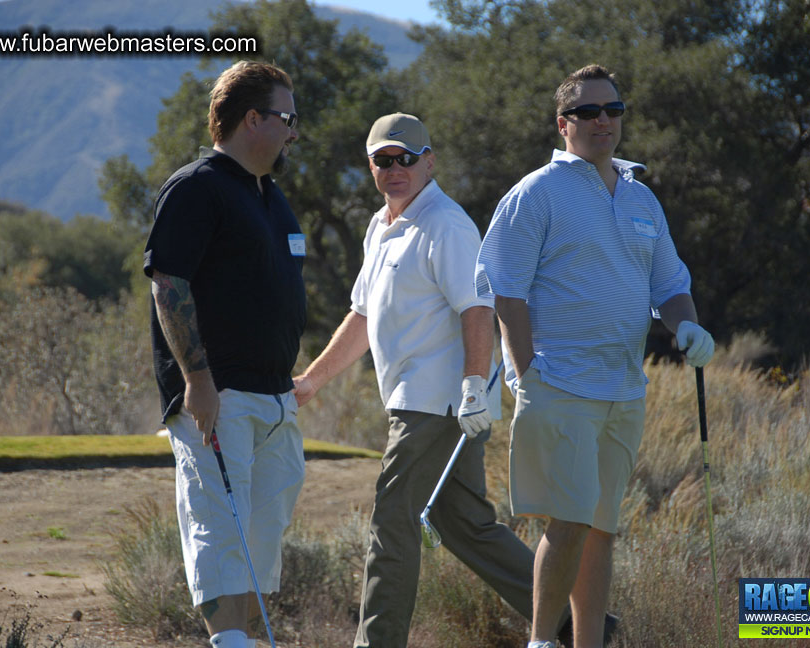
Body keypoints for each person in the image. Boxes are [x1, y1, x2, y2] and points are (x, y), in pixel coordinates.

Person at [476, 64, 715, 648]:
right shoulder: (536, 193)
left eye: (612, 110)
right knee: (572, 519)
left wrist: (688, 327)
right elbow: (503, 288)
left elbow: (669, 284)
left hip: (623, 388)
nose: (602, 120)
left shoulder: (640, 196)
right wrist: (525, 371)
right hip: (558, 383)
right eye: (588, 112)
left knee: (601, 528)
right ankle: (540, 640)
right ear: (564, 124)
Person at [293, 113, 539, 648]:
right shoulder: (381, 227)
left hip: (438, 404)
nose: (395, 168)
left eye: (406, 158)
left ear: (429, 161)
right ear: (371, 168)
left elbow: (476, 308)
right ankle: (582, 625)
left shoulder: (446, 224)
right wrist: (312, 381)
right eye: (383, 160)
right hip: (424, 402)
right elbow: (362, 316)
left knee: (391, 520)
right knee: (467, 527)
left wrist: (475, 387)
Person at [143, 60, 305, 648]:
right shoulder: (198, 186)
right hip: (219, 395)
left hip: (274, 397)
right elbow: (168, 282)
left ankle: (241, 639)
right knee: (218, 530)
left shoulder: (272, 197)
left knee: (259, 541)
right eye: (287, 119)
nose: (294, 132)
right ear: (252, 118)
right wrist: (197, 378)